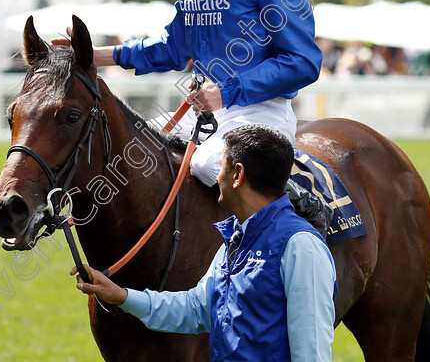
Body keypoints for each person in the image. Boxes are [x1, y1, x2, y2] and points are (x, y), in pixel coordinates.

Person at [58, 0, 331, 234]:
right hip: (204, 110)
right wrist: (95, 56)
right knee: (125, 159)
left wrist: (226, 91)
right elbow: (174, 48)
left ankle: (297, 202)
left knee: (207, 164)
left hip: (260, 111)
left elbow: (303, 61)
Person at [73, 124, 336, 362]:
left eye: (221, 166)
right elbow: (196, 309)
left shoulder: (301, 246)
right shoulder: (233, 240)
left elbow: (312, 352)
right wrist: (121, 296)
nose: (217, 176)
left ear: (237, 174)